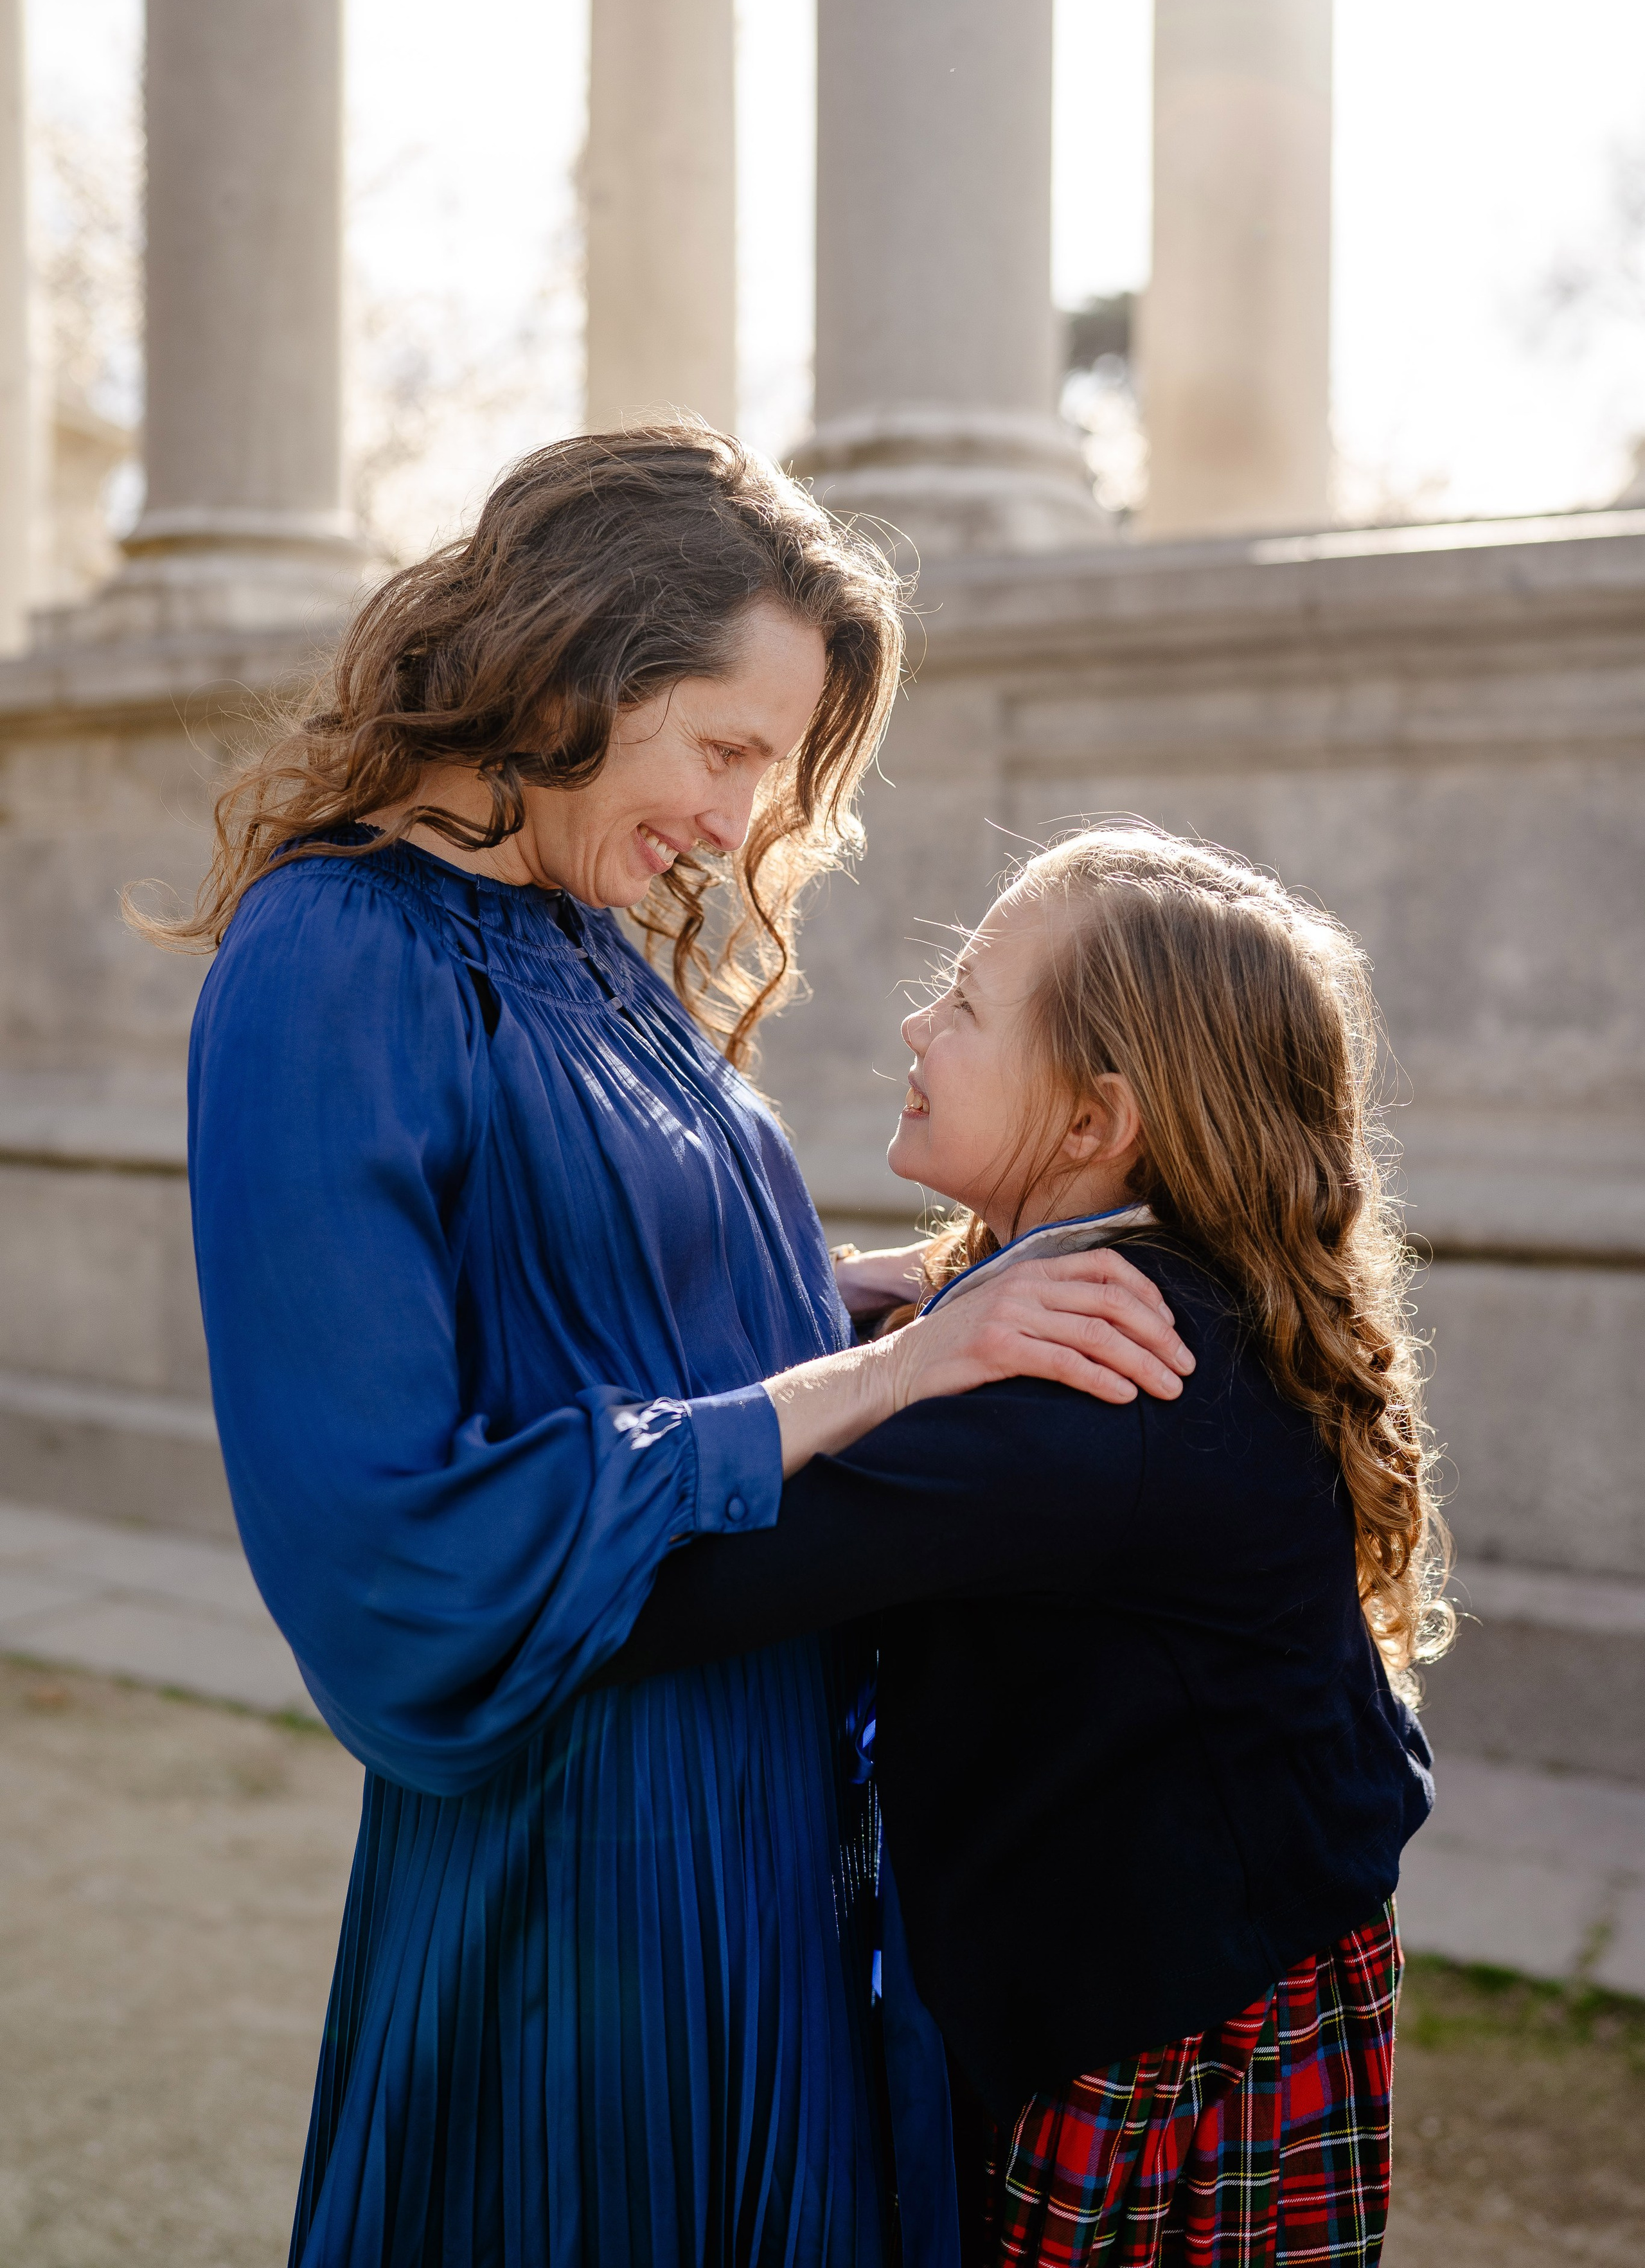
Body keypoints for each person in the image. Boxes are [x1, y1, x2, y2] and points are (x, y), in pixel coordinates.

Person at [157, 429, 1195, 2268]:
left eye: (770, 771)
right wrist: (875, 1380)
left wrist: (892, 1298)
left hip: (775, 1816)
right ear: (570, 669)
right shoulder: (328, 963)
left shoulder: (594, 944)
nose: (737, 823)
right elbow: (388, 1541)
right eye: (725, 749)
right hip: (575, 1873)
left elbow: (648, 1321)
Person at [594, 824, 1451, 2267]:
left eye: (969, 1004)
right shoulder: (1100, 1275)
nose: (917, 1025)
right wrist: (846, 1307)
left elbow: (658, 1586)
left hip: (1172, 2023)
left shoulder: (1090, 1383)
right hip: (1188, 1946)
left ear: (1089, 1123)